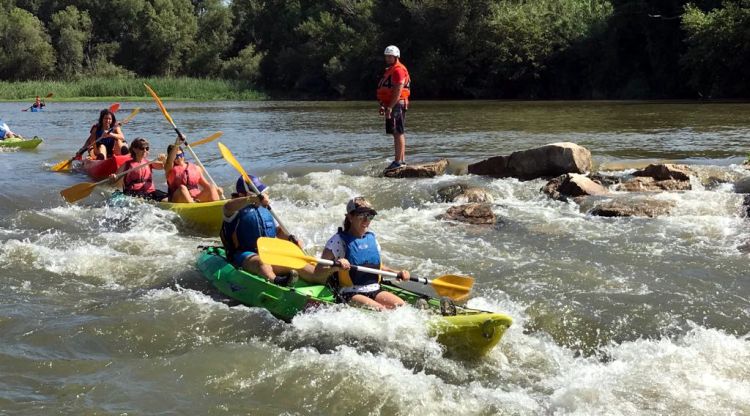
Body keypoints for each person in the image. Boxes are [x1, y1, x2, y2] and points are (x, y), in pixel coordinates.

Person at [220, 176, 327, 286]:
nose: (260, 195)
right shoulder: (233, 211)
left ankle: (322, 279)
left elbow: (277, 232)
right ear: (243, 194)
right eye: (256, 193)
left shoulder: (265, 209)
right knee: (261, 262)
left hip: (269, 251)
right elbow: (228, 206)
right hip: (244, 254)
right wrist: (252, 199)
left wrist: (291, 239)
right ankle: (276, 281)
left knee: (296, 262)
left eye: (260, 192)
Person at [315, 197, 409, 310]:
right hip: (349, 293)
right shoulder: (337, 241)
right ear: (350, 217)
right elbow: (318, 271)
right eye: (361, 215)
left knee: (402, 307)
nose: (366, 220)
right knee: (381, 311)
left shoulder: (372, 238)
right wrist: (336, 266)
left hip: (374, 289)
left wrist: (396, 273)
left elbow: (375, 266)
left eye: (370, 216)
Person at [377, 45, 411, 172]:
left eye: (390, 56)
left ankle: (399, 161)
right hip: (392, 104)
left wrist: (390, 107)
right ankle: (399, 160)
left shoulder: (398, 70)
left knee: (398, 132)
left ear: (396, 56)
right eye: (386, 56)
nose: (387, 58)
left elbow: (398, 89)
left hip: (397, 104)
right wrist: (384, 105)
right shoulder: (391, 70)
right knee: (396, 132)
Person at [164, 135, 221, 203]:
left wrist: (217, 190)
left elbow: (206, 186)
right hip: (178, 198)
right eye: (176, 156)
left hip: (196, 199)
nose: (179, 158)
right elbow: (169, 162)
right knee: (183, 188)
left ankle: (217, 206)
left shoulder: (196, 168)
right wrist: (177, 144)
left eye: (180, 155)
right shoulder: (169, 169)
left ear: (183, 154)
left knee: (211, 186)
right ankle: (192, 206)